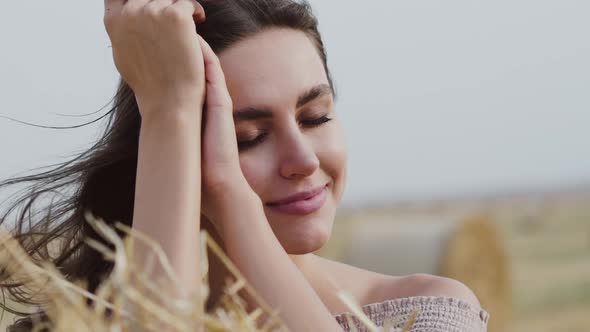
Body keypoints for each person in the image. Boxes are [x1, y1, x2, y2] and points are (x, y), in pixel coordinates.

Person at [0, 0, 489, 330]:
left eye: (316, 116)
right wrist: (170, 111)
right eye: (248, 138)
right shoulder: (78, 325)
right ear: (168, 151)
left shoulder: (429, 312)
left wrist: (232, 195)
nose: (303, 159)